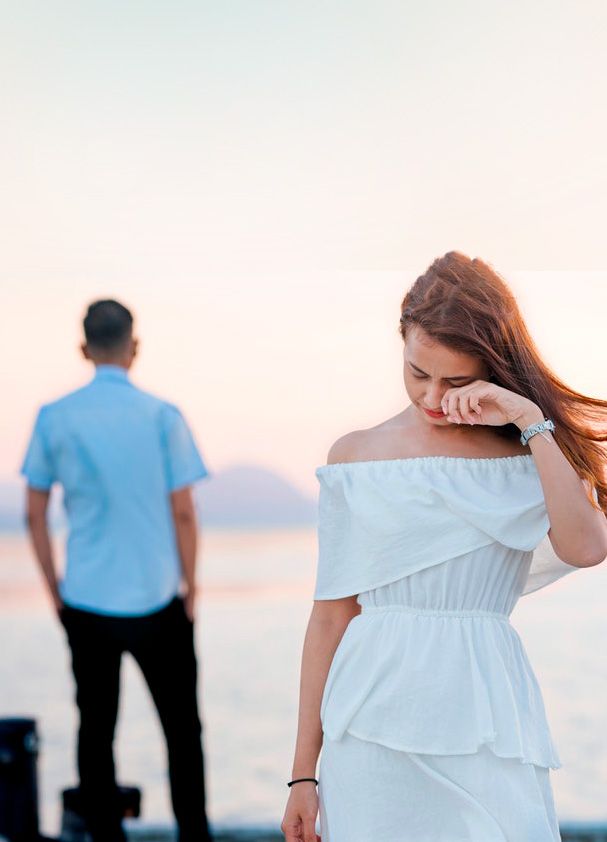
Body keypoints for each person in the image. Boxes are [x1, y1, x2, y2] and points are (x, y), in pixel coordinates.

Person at [282, 251, 607, 842]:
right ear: (401, 342)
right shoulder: (356, 457)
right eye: (417, 373)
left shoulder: (526, 454)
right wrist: (303, 775)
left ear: (493, 366)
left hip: (488, 717)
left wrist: (530, 420)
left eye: (455, 380)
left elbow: (587, 547)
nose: (432, 397)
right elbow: (330, 616)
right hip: (371, 721)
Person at [21, 299, 212, 842]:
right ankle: (194, 836)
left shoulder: (54, 416)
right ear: (135, 346)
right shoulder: (162, 415)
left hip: (85, 600)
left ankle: (107, 838)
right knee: (182, 732)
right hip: (159, 598)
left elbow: (33, 512)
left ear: (84, 348)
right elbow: (183, 510)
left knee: (95, 731)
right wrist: (191, 585)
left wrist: (55, 590)